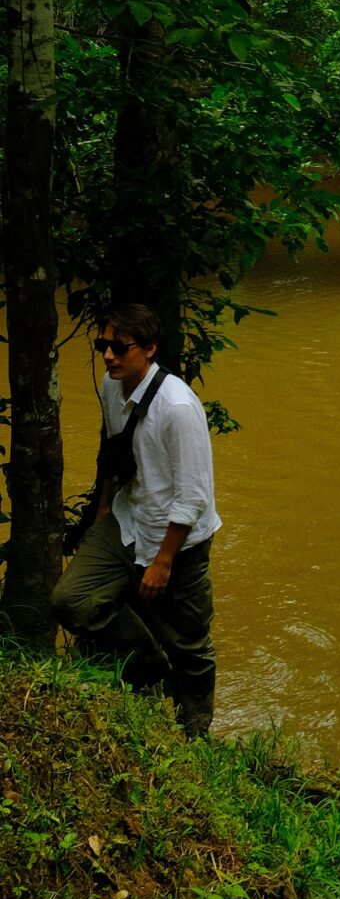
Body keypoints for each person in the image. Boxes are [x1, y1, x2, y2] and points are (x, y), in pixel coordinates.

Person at [50, 304, 221, 739]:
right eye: (103, 345)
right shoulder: (113, 387)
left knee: (189, 645)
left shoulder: (177, 407)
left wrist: (163, 560)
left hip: (177, 540)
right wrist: (103, 510)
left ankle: (195, 738)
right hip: (127, 520)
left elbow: (194, 496)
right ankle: (147, 662)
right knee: (71, 600)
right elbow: (116, 454)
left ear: (150, 349)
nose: (108, 356)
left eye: (119, 347)